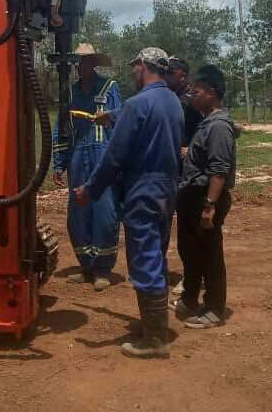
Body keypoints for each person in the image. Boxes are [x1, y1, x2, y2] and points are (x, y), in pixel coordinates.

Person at [74, 47, 183, 359]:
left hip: (143, 190)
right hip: (166, 188)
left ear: (144, 67)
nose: (133, 72)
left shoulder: (137, 103)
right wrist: (116, 117)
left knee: (145, 257)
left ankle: (155, 340)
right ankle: (154, 325)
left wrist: (89, 191)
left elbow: (113, 157)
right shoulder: (172, 101)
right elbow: (148, 119)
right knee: (157, 253)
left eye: (136, 67)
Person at [173, 64, 239, 329]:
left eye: (196, 91)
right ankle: (190, 298)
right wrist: (191, 153)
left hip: (205, 198)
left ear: (211, 93)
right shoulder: (207, 123)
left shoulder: (219, 126)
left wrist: (209, 206)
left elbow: (219, 171)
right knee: (191, 251)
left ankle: (214, 307)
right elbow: (206, 156)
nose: (192, 96)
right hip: (193, 197)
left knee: (210, 253)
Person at [52, 43, 122, 292]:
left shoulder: (109, 88)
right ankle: (86, 266)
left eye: (87, 62)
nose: (82, 67)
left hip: (103, 158)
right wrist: (58, 164)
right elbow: (61, 129)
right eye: (79, 63)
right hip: (77, 158)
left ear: (95, 63)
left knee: (105, 212)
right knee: (79, 213)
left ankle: (103, 269)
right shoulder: (70, 94)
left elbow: (121, 119)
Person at [166, 56, 203, 297]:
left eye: (171, 73)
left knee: (189, 230)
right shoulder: (172, 98)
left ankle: (193, 277)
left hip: (190, 173)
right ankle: (190, 275)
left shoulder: (192, 101)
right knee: (178, 227)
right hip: (174, 171)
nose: (167, 77)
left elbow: (213, 126)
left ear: (182, 75)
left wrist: (191, 147)